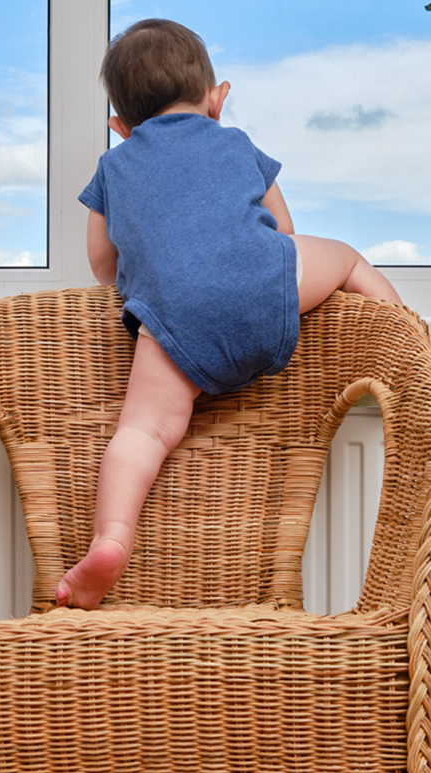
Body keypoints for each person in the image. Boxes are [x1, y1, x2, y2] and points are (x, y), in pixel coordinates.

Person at [56, 18, 403, 609]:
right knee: (346, 259)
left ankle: (112, 537)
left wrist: (159, 272)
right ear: (218, 101)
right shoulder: (236, 143)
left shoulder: (113, 167)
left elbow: (101, 264)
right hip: (268, 288)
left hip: (175, 319)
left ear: (120, 127)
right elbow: (285, 230)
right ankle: (418, 372)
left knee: (141, 433)